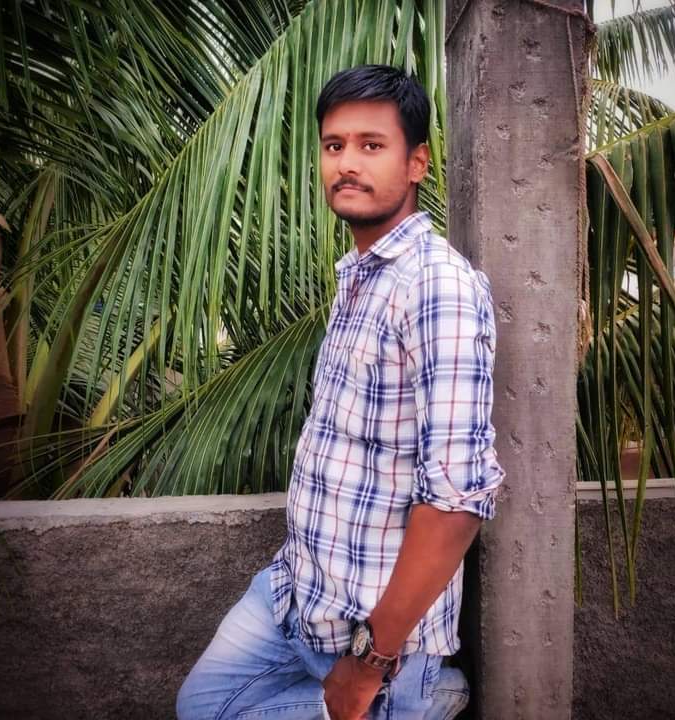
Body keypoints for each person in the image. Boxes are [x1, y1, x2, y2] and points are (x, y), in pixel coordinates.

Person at [176, 64, 505, 720]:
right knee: (198, 707)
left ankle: (415, 696)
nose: (347, 163)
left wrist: (368, 662)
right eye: (334, 145)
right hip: (292, 595)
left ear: (417, 163)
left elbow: (456, 504)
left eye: (371, 145)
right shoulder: (359, 276)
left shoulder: (436, 288)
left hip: (368, 635)